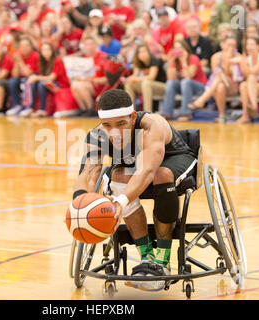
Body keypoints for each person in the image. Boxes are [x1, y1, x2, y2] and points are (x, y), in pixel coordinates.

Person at [73, 88, 197, 291]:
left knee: (161, 174)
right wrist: (78, 201)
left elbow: (147, 171)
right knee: (117, 176)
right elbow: (87, 174)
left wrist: (120, 202)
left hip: (174, 158)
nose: (115, 132)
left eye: (121, 124)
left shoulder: (151, 125)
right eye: (107, 125)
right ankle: (146, 253)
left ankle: (162, 259)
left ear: (132, 117)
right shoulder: (97, 135)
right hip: (132, 168)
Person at [188, 35, 242, 122]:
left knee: (220, 75)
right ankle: (222, 115)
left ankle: (202, 99)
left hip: (233, 87)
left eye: (233, 45)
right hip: (218, 86)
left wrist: (228, 60)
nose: (231, 47)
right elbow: (215, 73)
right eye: (228, 45)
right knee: (220, 85)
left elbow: (230, 74)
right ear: (222, 45)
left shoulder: (239, 57)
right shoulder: (216, 57)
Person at [162, 39, 208, 121]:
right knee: (170, 83)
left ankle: (186, 113)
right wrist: (170, 62)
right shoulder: (175, 61)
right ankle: (167, 113)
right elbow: (170, 78)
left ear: (185, 49)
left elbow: (189, 76)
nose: (178, 51)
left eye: (180, 48)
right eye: (176, 49)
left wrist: (183, 62)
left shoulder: (193, 58)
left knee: (185, 82)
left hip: (200, 88)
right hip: (184, 87)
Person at [27, 41, 70, 117]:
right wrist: (34, 78)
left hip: (61, 86)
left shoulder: (57, 60)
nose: (45, 52)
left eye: (47, 49)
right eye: (43, 50)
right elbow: (41, 76)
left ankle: (43, 110)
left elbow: (52, 77)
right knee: (34, 83)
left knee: (41, 83)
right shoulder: (43, 62)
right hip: (49, 84)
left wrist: (36, 77)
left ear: (52, 51)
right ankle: (31, 108)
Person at [70, 36, 108, 116]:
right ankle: (84, 109)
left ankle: (91, 108)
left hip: (101, 85)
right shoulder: (84, 59)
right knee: (74, 84)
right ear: (84, 47)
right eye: (87, 45)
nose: (90, 47)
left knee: (80, 86)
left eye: (91, 44)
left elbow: (107, 79)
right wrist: (79, 78)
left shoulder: (103, 56)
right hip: (89, 84)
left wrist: (92, 79)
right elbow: (82, 76)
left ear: (96, 45)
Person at [124, 43, 166, 113]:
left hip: (163, 87)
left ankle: (147, 112)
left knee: (146, 83)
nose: (142, 54)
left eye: (144, 51)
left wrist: (136, 79)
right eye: (139, 52)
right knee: (129, 84)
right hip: (148, 86)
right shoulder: (139, 62)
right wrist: (128, 79)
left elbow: (151, 77)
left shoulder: (154, 60)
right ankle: (130, 112)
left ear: (148, 52)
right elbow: (135, 75)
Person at [7, 36, 39, 116]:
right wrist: (17, 62)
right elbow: (15, 74)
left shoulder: (35, 56)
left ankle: (28, 107)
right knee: (12, 81)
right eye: (22, 46)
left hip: (33, 79)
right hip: (22, 78)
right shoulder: (19, 56)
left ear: (31, 47)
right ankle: (16, 106)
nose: (24, 48)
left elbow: (28, 73)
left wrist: (20, 61)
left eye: (26, 46)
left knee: (27, 81)